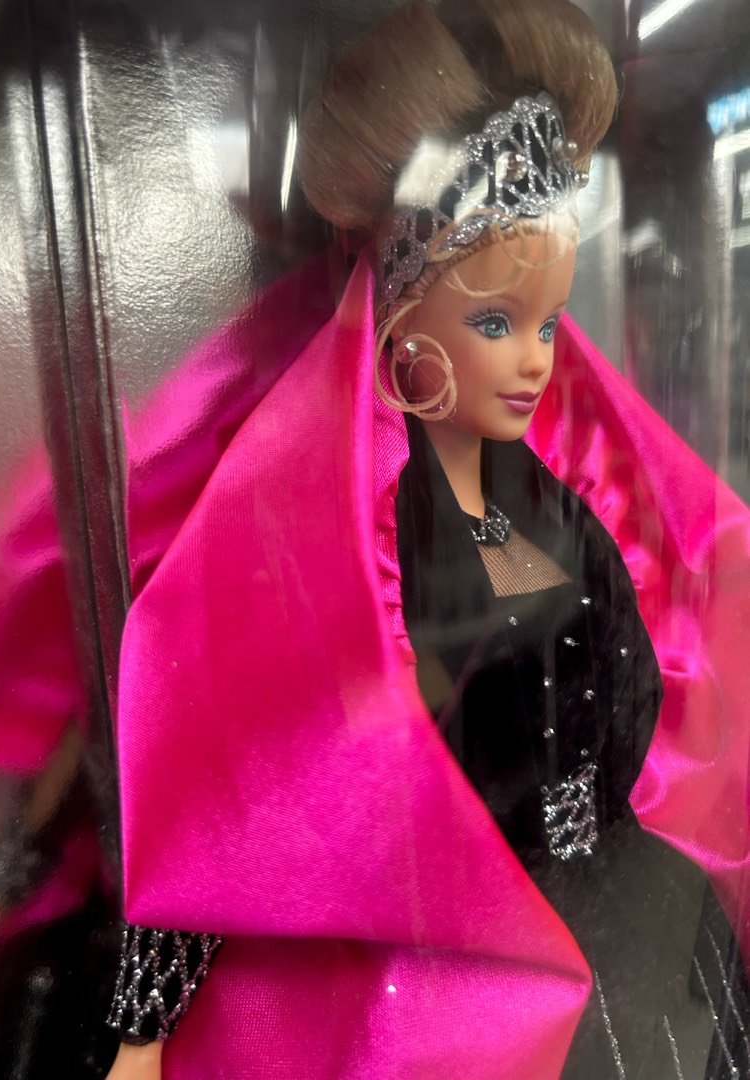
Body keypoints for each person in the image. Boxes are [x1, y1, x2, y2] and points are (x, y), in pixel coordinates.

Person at [106, 1, 750, 1078]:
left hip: (630, 925)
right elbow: (238, 774)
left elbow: (640, 685)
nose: (537, 358)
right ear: (405, 321)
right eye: (496, 324)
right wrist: (142, 1033)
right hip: (463, 974)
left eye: (547, 323)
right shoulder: (352, 545)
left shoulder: (558, 502)